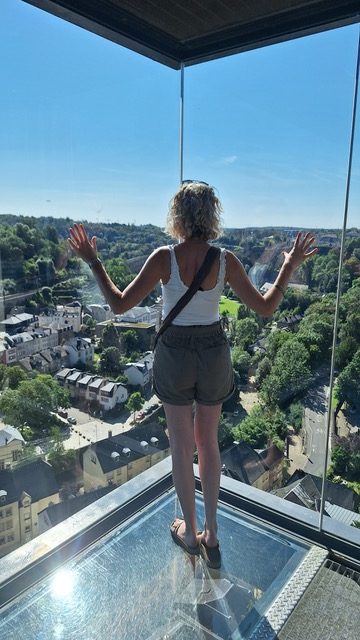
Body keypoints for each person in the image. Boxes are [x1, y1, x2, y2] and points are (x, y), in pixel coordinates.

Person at [68, 181, 317, 569]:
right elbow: (266, 308)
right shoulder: (226, 260)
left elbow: (118, 304)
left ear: (177, 215)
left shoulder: (163, 258)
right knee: (209, 443)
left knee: (182, 446)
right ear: (213, 215)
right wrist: (289, 265)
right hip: (214, 351)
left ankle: (189, 529)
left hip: (175, 354)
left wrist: (93, 261)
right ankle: (213, 532)